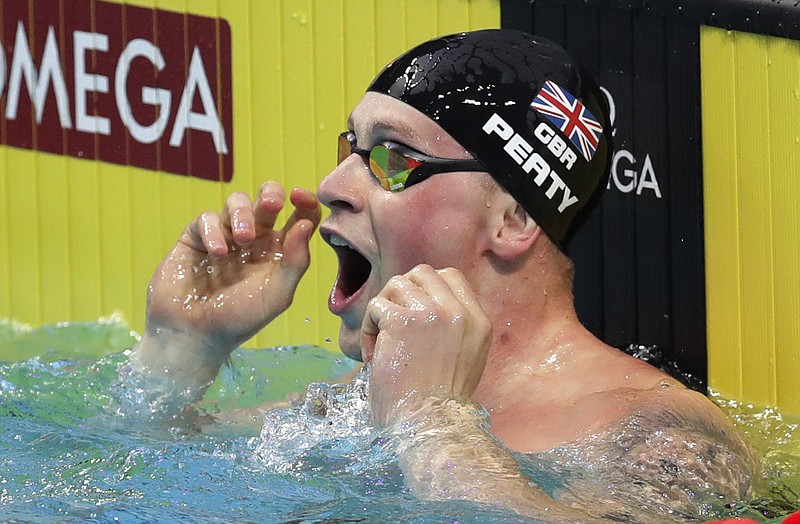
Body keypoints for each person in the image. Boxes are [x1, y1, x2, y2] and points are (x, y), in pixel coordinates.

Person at [130, 29, 756, 522]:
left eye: (393, 159)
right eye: (351, 149)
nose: (332, 187)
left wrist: (431, 423)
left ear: (513, 219)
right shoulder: (352, 399)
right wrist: (180, 348)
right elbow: (138, 475)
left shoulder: (660, 436)